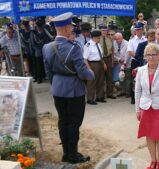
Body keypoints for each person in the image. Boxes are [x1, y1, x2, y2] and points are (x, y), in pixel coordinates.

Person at [43, 12, 94, 164]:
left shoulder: (47, 47)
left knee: (63, 121)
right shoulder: (74, 47)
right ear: (65, 29)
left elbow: (48, 72)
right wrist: (92, 74)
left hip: (58, 88)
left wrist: (56, 84)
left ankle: (66, 152)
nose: (72, 30)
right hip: (74, 90)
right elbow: (82, 71)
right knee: (74, 123)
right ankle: (73, 154)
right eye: (70, 28)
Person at [135, 43, 159, 169]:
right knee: (149, 134)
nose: (151, 57)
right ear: (145, 56)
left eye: (154, 54)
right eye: (149, 55)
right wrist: (137, 110)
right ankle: (153, 161)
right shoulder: (140, 71)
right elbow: (137, 91)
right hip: (146, 108)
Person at [84, 30, 107, 105]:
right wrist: (89, 69)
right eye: (98, 37)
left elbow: (100, 55)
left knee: (101, 81)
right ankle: (90, 99)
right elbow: (85, 59)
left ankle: (100, 97)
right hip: (92, 64)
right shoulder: (88, 45)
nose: (99, 39)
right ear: (94, 37)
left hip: (100, 63)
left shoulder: (98, 44)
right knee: (91, 82)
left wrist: (103, 63)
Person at [127, 22, 147, 104]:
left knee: (144, 79)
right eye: (137, 30)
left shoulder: (145, 39)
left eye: (140, 30)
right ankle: (133, 98)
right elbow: (130, 52)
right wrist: (139, 57)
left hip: (144, 61)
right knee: (134, 80)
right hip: (135, 61)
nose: (138, 31)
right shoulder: (131, 41)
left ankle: (143, 97)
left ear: (143, 30)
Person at [99, 25, 116, 99]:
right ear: (100, 31)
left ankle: (110, 93)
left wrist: (112, 61)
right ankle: (101, 94)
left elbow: (112, 51)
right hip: (101, 59)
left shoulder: (109, 39)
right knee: (101, 78)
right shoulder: (97, 39)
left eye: (105, 30)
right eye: (103, 30)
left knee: (110, 77)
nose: (104, 32)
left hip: (109, 59)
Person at [113, 33, 129, 97]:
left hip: (126, 62)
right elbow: (113, 54)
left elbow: (127, 54)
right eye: (116, 39)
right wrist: (119, 59)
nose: (118, 40)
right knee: (120, 77)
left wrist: (124, 61)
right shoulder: (114, 43)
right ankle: (122, 91)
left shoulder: (127, 43)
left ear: (122, 38)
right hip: (118, 61)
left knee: (127, 77)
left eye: (119, 38)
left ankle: (127, 92)